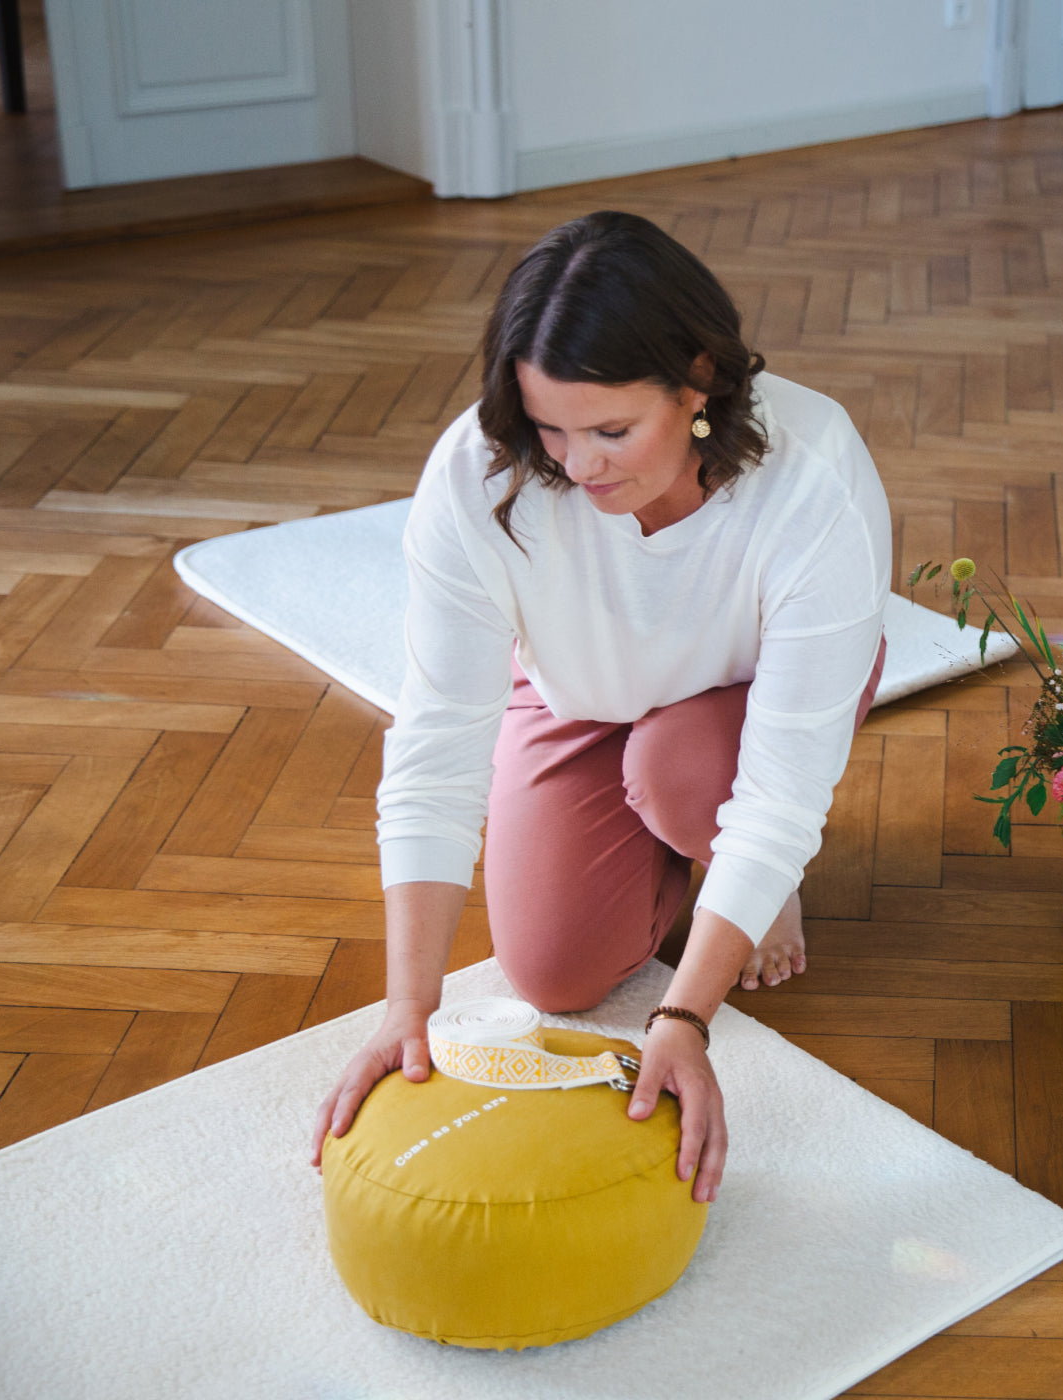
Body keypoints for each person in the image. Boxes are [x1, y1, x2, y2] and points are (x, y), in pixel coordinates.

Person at [311, 210, 891, 1206]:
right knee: (551, 970)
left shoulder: (810, 479)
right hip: (582, 695)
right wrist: (410, 999)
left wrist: (682, 1018)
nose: (576, 468)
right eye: (550, 429)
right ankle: (691, 852)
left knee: (683, 775)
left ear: (696, 377)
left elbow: (781, 787)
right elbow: (439, 738)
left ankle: (736, 869)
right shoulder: (479, 472)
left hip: (740, 708)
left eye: (611, 431)